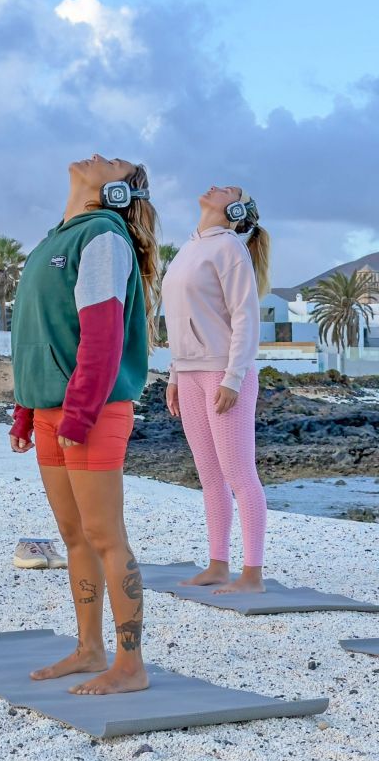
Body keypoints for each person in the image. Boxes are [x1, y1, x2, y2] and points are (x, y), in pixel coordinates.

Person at [9, 155, 160, 695]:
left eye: (114, 161)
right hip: (53, 410)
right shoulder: (55, 240)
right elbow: (40, 332)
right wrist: (27, 408)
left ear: (117, 189)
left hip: (90, 412)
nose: (99, 156)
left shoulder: (103, 237)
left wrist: (77, 412)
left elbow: (102, 338)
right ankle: (89, 648)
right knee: (74, 536)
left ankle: (130, 665)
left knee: (104, 535)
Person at [162, 186, 271, 593]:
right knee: (209, 476)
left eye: (229, 189)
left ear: (235, 208)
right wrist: (174, 374)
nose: (215, 187)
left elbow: (246, 316)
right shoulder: (189, 247)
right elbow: (177, 318)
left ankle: (252, 574)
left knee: (240, 475)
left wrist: (233, 377)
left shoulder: (229, 247)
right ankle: (218, 564)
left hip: (222, 374)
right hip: (189, 374)